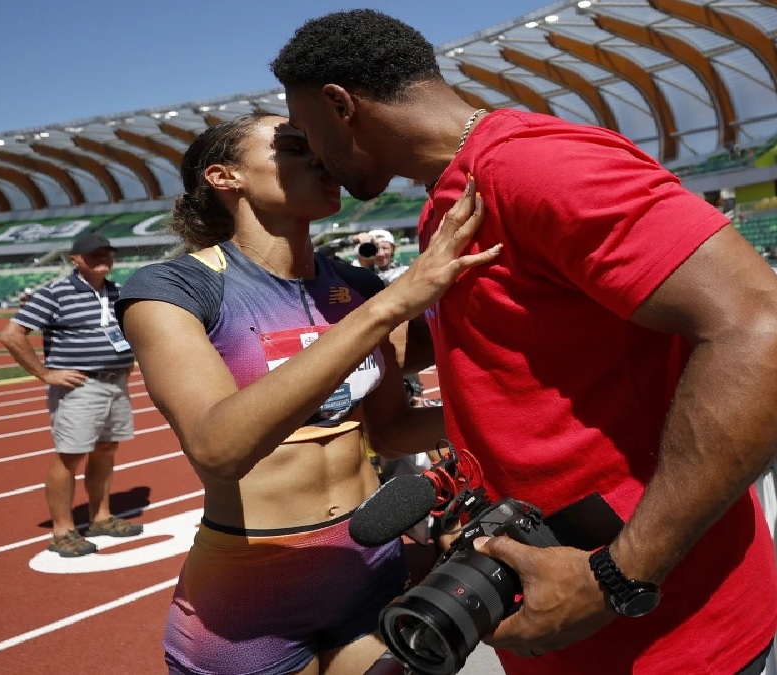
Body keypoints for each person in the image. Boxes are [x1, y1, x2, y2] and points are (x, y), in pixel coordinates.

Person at [272, 10, 777, 674]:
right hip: (571, 633)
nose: (313, 156)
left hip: (669, 639)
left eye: (306, 133)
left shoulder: (534, 165)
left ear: (342, 106)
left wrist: (618, 574)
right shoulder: (446, 203)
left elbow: (774, 334)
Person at [115, 112, 500, 675]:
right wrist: (392, 305)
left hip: (372, 564)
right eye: (295, 147)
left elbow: (390, 430)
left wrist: (505, 420)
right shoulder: (173, 289)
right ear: (225, 177)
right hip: (251, 592)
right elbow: (218, 447)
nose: (320, 157)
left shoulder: (356, 288)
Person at [0, 232, 143, 558]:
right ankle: (62, 530)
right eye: (94, 254)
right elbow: (11, 335)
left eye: (107, 252)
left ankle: (101, 517)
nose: (102, 258)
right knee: (70, 455)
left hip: (116, 383)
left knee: (106, 450)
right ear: (76, 260)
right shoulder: (55, 293)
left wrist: (126, 360)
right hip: (79, 387)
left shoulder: (116, 292)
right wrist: (45, 373)